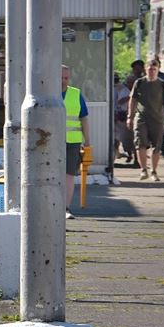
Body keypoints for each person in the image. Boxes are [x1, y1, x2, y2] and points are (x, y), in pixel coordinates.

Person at [128, 58, 164, 181]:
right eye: (150, 69)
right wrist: (130, 116)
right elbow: (133, 100)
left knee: (156, 146)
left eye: (154, 69)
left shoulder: (162, 84)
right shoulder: (139, 83)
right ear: (146, 70)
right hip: (141, 118)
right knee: (140, 144)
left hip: (158, 119)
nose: (152, 72)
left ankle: (154, 171)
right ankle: (143, 169)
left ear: (158, 70)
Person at [62, 64, 92, 217]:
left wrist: (87, 143)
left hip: (72, 142)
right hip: (50, 142)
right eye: (61, 77)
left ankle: (66, 208)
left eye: (66, 78)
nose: (64, 81)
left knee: (69, 175)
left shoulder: (76, 94)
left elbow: (84, 119)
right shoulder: (47, 94)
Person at [113, 73, 133, 165]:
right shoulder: (110, 88)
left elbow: (121, 102)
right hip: (115, 114)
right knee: (116, 137)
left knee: (123, 137)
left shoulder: (123, 89)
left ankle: (129, 154)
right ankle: (114, 155)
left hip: (121, 115)